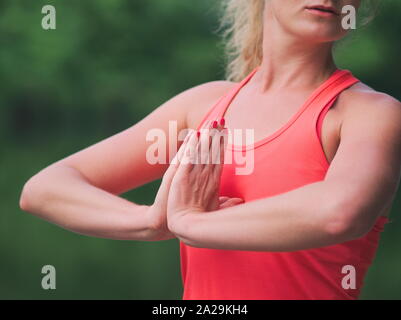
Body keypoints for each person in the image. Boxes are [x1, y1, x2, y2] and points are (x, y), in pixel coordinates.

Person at [19, 0, 401, 299]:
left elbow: (340, 213)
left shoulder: (370, 115)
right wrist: (152, 222)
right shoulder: (203, 107)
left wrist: (191, 222)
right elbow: (44, 188)